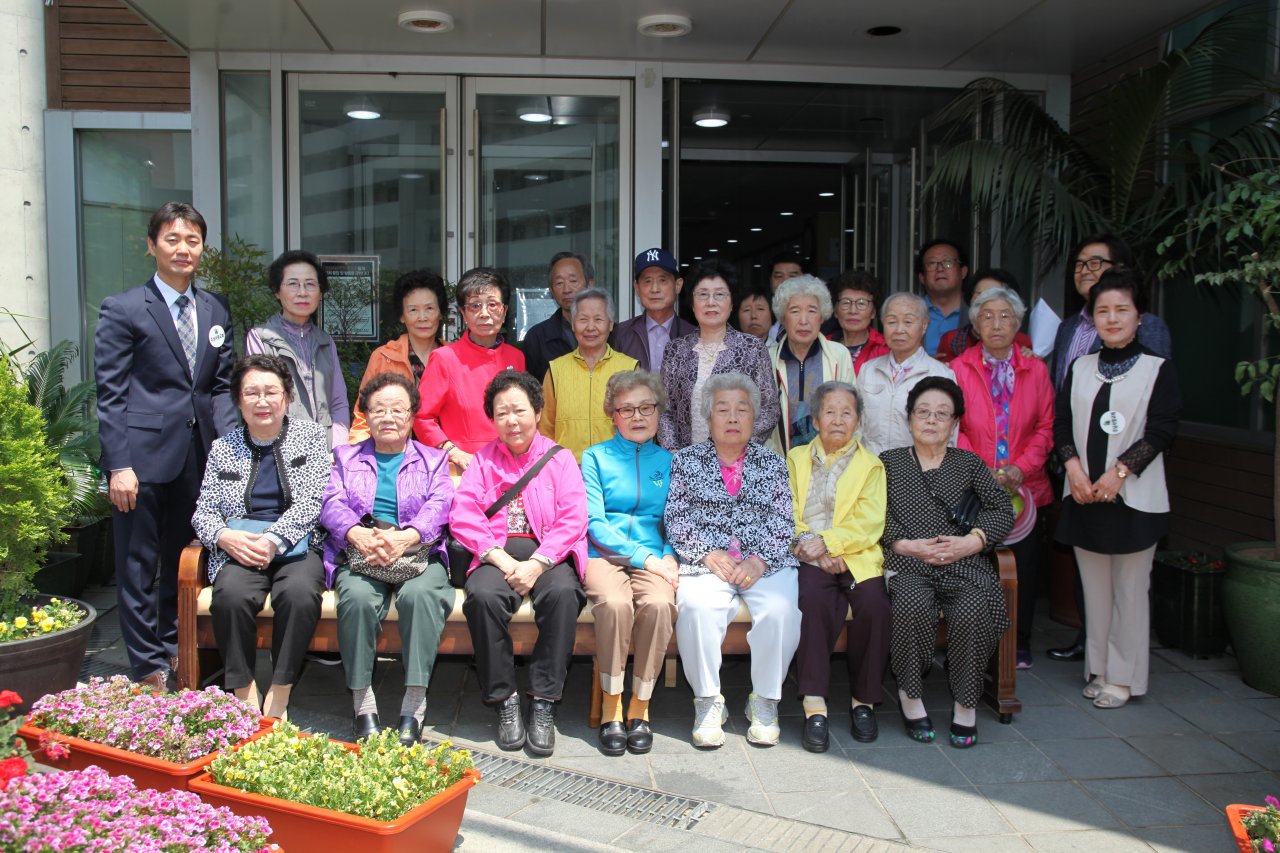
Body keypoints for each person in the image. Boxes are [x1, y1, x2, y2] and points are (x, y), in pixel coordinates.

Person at [95, 201, 237, 692]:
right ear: (152, 245)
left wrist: (230, 451)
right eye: (172, 239)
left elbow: (220, 387)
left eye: (192, 240)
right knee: (137, 562)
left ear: (202, 248)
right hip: (140, 459)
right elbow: (111, 394)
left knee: (183, 558)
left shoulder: (215, 308)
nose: (183, 249)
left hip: (199, 457)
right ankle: (146, 664)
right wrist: (118, 464)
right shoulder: (124, 308)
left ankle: (176, 644)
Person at [1054, 268, 1180, 710]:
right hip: (1084, 494)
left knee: (1130, 591)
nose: (1111, 319)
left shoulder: (1157, 369)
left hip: (1133, 499)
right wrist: (1073, 469)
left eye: (1121, 310)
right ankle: (1099, 669)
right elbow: (1062, 424)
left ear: (1139, 316)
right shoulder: (1080, 367)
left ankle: (1124, 679)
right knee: (1095, 591)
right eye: (1102, 310)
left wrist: (1118, 474)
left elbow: (1161, 430)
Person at [450, 371, 588, 756]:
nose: (511, 420)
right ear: (493, 420)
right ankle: (504, 698)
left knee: (564, 595)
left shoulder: (560, 459)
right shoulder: (483, 460)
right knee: (482, 597)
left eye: (519, 411)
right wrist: (498, 557)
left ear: (538, 412)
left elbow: (574, 517)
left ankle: (543, 700)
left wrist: (539, 563)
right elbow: (463, 513)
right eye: (502, 413)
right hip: (497, 554)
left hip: (548, 553)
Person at [665, 373, 801, 748]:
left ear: (754, 417)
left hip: (764, 563)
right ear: (708, 417)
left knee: (781, 611)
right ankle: (708, 701)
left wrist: (759, 560)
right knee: (697, 607)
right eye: (722, 409)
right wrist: (708, 553)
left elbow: (783, 520)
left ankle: (765, 701)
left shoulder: (773, 463)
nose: (733, 417)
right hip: (707, 561)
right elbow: (677, 517)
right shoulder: (686, 461)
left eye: (742, 409)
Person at [191, 354, 329, 719]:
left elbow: (314, 501)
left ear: (286, 397)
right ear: (239, 400)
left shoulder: (312, 438)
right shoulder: (223, 448)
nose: (262, 401)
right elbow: (203, 511)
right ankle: (244, 689)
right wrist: (224, 537)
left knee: (298, 594)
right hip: (239, 546)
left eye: (271, 392)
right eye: (252, 393)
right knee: (230, 596)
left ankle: (281, 689)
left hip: (297, 543)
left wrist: (272, 539)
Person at [880, 376, 1014, 748]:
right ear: (909, 419)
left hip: (962, 563)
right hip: (908, 563)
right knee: (910, 603)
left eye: (942, 414)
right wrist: (904, 544)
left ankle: (966, 703)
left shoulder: (968, 463)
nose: (931, 420)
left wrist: (973, 541)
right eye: (923, 412)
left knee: (973, 607)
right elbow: (873, 512)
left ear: (954, 423)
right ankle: (910, 695)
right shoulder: (888, 463)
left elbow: (1002, 510)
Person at [322, 373, 455, 745]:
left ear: (412, 415)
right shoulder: (345, 457)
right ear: (365, 415)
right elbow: (331, 503)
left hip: (418, 553)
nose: (388, 417)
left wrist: (407, 536)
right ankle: (362, 703)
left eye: (398, 409)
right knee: (358, 598)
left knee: (420, 596)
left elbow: (441, 504)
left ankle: (414, 703)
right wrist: (357, 533)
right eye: (378, 409)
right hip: (360, 551)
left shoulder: (433, 459)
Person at [953, 286, 1054, 670]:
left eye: (1005, 316)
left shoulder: (1036, 369)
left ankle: (1018, 640)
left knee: (1021, 569)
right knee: (977, 564)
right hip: (973, 486)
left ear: (1017, 323)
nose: (996, 324)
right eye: (987, 316)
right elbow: (953, 425)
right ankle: (975, 640)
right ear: (976, 324)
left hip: (1025, 488)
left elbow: (1046, 427)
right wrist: (982, 472)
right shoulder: (959, 368)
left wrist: (1021, 468)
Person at [787, 381, 891, 751]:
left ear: (858, 421)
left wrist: (832, 544)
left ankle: (864, 701)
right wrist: (813, 547)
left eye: (847, 413)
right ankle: (814, 705)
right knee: (813, 602)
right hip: (809, 555)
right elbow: (787, 510)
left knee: (875, 606)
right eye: (829, 412)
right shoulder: (795, 459)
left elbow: (870, 521)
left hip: (856, 555)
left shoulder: (871, 465)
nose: (838, 420)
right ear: (815, 420)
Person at [580, 370, 678, 756]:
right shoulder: (594, 458)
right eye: (627, 409)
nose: (637, 416)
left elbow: (677, 521)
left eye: (646, 408)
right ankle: (611, 706)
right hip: (605, 555)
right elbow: (595, 524)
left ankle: (640, 706)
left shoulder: (670, 462)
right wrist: (646, 558)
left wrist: (668, 556)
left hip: (657, 557)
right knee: (615, 605)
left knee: (659, 604)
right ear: (613, 415)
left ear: (658, 412)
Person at [413, 267, 525, 473]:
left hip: (511, 465)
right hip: (464, 467)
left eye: (492, 304)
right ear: (463, 313)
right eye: (475, 306)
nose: (484, 313)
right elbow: (421, 417)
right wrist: (452, 451)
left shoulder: (516, 357)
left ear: (504, 311)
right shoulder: (444, 358)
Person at [659, 261, 780, 450]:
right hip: (683, 459)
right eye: (703, 294)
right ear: (692, 303)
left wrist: (737, 447)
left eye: (720, 294)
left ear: (731, 303)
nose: (711, 302)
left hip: (737, 459)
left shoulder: (752, 348)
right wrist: (673, 451)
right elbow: (664, 408)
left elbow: (769, 408)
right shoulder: (675, 350)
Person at [245, 250, 350, 448]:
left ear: (320, 292)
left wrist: (337, 449)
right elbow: (261, 401)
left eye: (310, 284)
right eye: (293, 284)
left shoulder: (326, 342)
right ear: (277, 291)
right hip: (279, 450)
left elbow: (338, 402)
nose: (302, 292)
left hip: (327, 451)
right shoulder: (261, 338)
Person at [1051, 234, 1173, 390]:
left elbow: (1156, 383)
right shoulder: (1066, 327)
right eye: (1079, 264)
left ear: (1118, 267)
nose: (1084, 271)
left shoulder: (1147, 324)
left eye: (1094, 263)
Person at [348, 270, 449, 444]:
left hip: (445, 453)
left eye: (429, 308)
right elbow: (363, 414)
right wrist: (356, 452)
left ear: (440, 313)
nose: (422, 317)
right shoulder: (383, 356)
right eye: (413, 310)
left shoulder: (454, 356)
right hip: (396, 452)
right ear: (402, 316)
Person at [540, 288, 638, 461]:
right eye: (583, 319)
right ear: (573, 324)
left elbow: (641, 425)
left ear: (610, 324)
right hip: (568, 469)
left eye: (598, 319)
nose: (590, 327)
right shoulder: (556, 370)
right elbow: (545, 429)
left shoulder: (630, 369)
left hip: (618, 466)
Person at [857, 292, 955, 456]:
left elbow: (948, 437)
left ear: (924, 326)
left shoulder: (941, 375)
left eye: (908, 322)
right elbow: (856, 426)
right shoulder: (868, 370)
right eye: (892, 322)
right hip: (871, 466)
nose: (899, 330)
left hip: (917, 467)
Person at [768, 275, 854, 453]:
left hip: (830, 459)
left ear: (822, 317)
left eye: (812, 311)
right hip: (780, 461)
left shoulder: (839, 355)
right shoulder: (768, 358)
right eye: (795, 311)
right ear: (783, 317)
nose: (804, 320)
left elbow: (852, 410)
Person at [610, 248, 696, 374]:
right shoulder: (620, 335)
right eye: (647, 281)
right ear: (637, 288)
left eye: (662, 280)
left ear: (678, 285)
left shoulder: (694, 336)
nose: (655, 289)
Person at [522, 252, 594, 385]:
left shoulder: (610, 333)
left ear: (590, 284)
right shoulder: (537, 337)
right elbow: (531, 390)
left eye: (573, 281)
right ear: (551, 290)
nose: (567, 289)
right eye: (559, 283)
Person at [935, 269, 1034, 364]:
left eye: (994, 294)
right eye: (980, 294)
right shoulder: (951, 340)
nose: (986, 300)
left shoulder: (1021, 342)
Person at [827, 271, 888, 375]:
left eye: (861, 303)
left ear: (873, 312)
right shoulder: (822, 346)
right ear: (835, 311)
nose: (853, 311)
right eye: (846, 303)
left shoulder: (886, 349)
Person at [917, 239, 969, 356]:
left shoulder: (978, 311)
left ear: (963, 272)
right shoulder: (910, 311)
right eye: (932, 263)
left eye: (948, 262)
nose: (940, 269)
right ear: (922, 277)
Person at [766, 253, 806, 341]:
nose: (785, 282)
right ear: (770, 281)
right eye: (779, 276)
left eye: (792, 276)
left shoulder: (817, 318)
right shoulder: (761, 313)